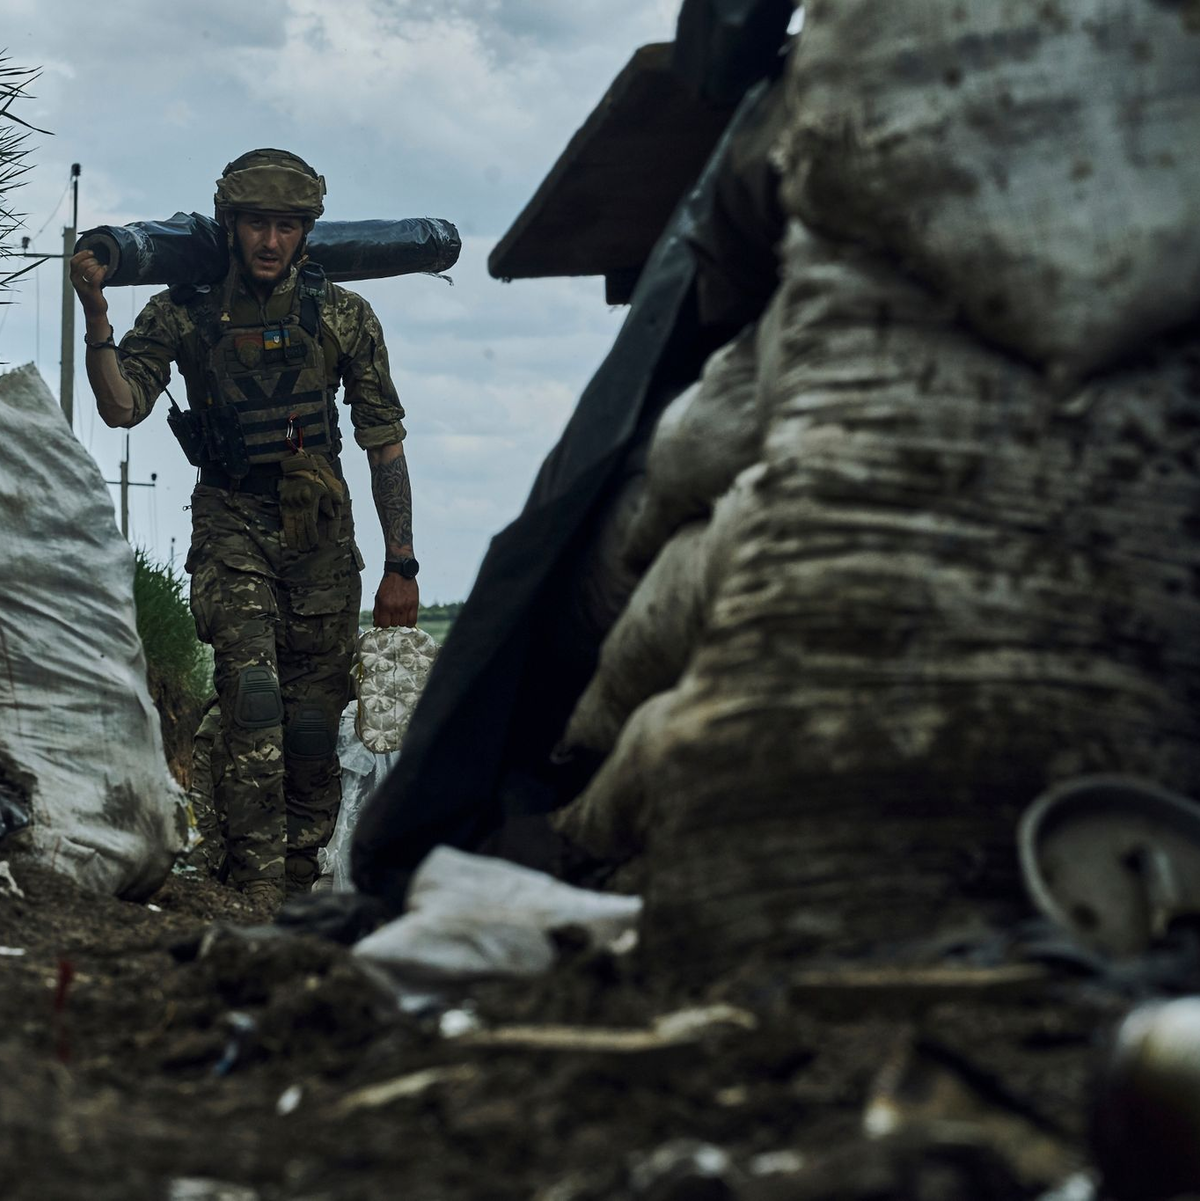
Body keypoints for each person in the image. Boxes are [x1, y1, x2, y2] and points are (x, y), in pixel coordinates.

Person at [71, 148, 420, 909]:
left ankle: (296, 877)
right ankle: (253, 882)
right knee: (252, 692)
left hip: (320, 534)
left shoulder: (342, 314)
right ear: (229, 227)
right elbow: (121, 404)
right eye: (257, 224)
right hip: (231, 519)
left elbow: (383, 443)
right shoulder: (185, 308)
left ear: (306, 233)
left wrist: (403, 564)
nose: (270, 241)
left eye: (287, 226)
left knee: (313, 719)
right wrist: (98, 318)